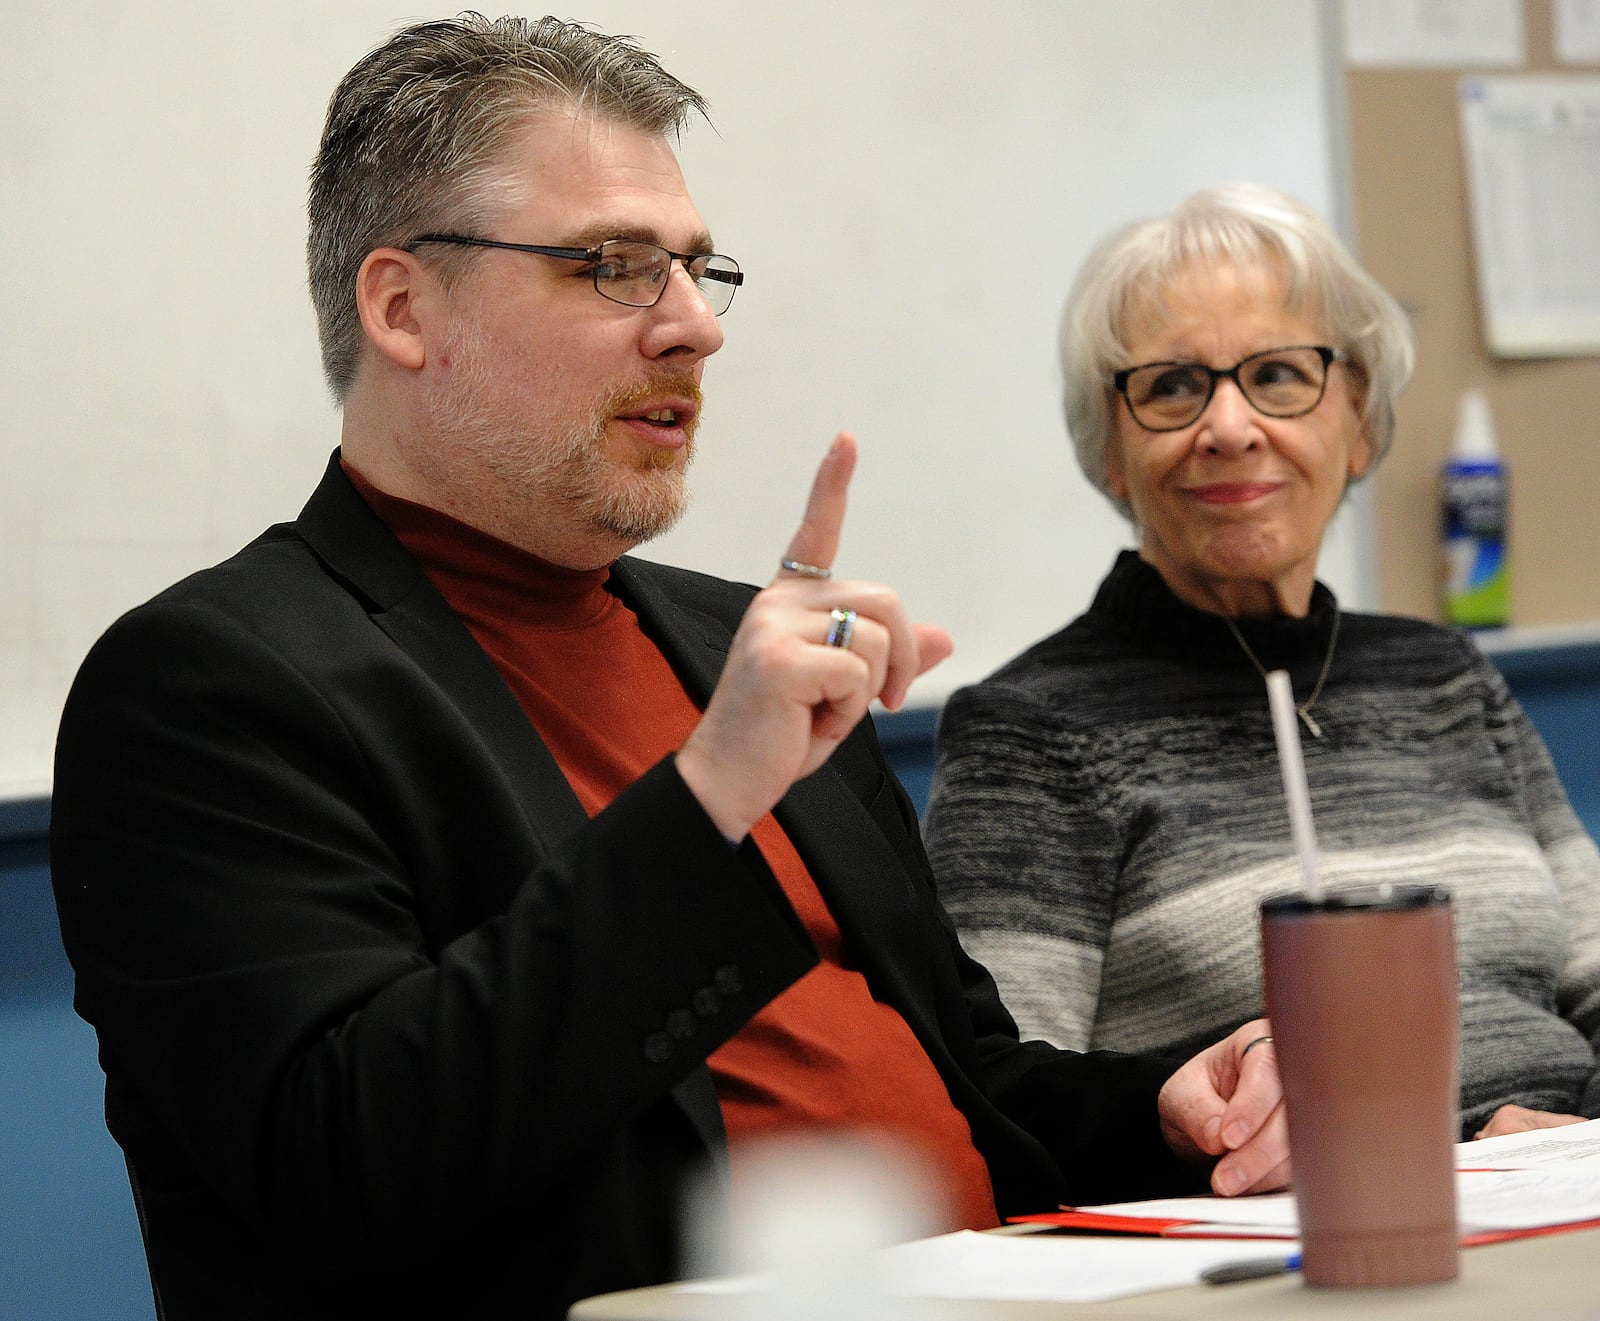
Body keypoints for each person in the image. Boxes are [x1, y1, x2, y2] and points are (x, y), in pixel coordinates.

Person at [49, 19, 1289, 1321]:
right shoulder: (209, 689)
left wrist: (1166, 1108)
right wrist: (707, 803)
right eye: (613, 267)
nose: (695, 328)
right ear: (403, 309)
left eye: (699, 271)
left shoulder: (742, 650)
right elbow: (350, 1166)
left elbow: (972, 1084)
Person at [924, 182, 1600, 1148]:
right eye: (1171, 385)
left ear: (1359, 420)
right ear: (1111, 453)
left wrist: (1574, 1146)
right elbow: (1006, 1101)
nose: (1230, 426)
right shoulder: (1030, 729)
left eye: (1279, 375)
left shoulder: (1444, 675)